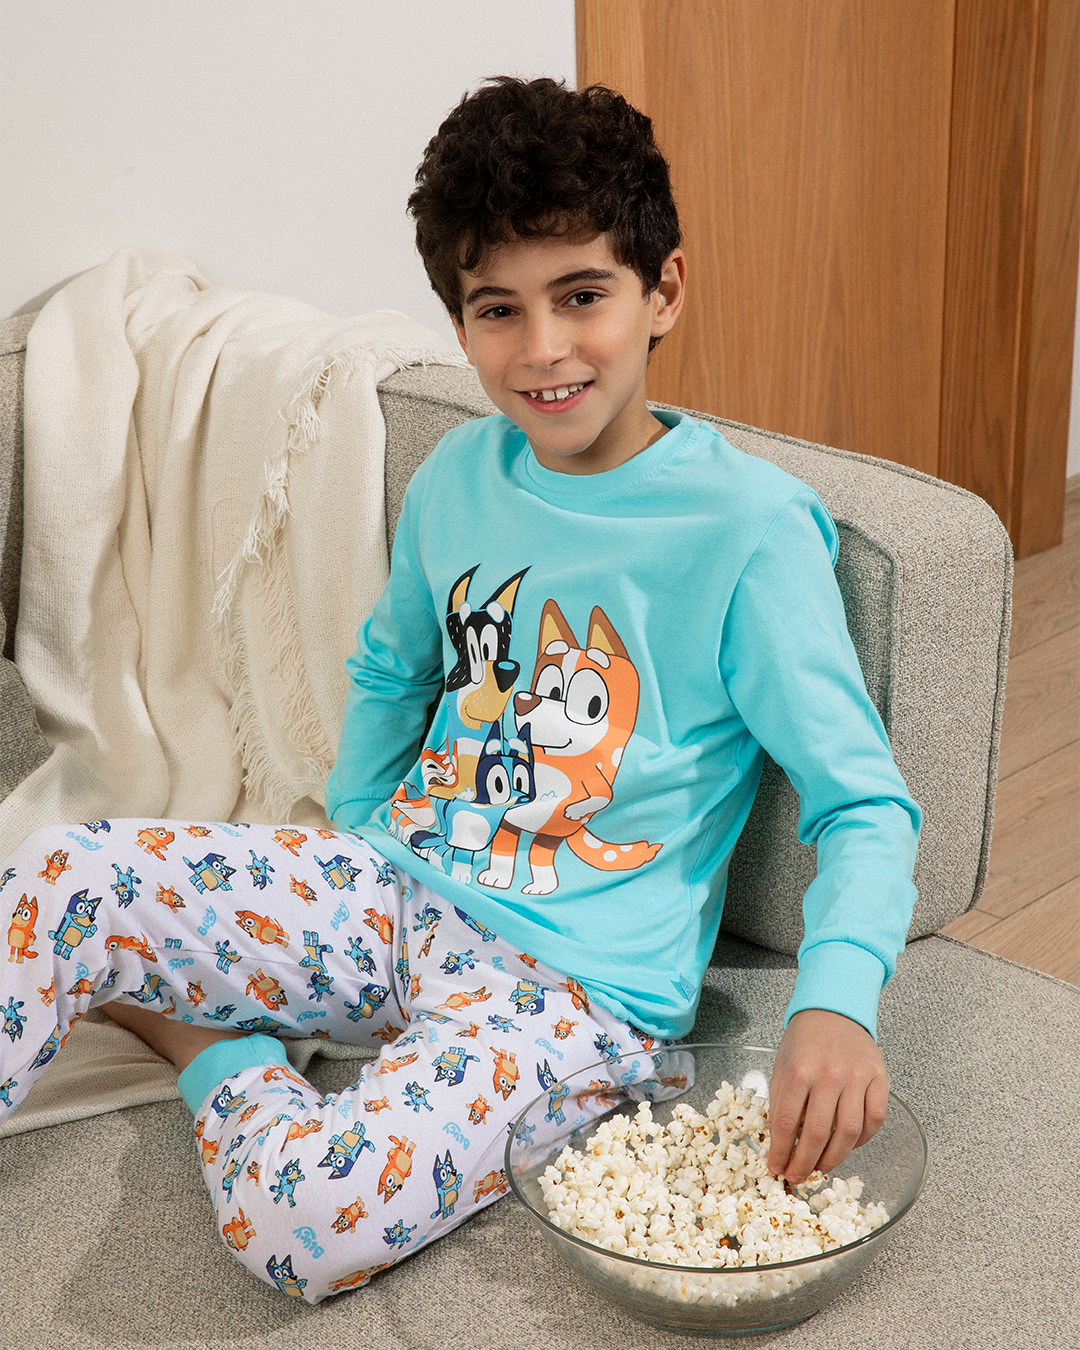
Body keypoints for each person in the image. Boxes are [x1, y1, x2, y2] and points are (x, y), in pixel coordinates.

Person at [0, 76, 919, 1302]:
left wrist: (839, 1003)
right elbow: (394, 669)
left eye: (581, 296)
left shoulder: (749, 533)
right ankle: (231, 993)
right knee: (59, 872)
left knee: (308, 1225)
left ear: (663, 291)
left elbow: (863, 804)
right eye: (498, 310)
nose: (542, 349)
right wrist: (358, 834)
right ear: (460, 321)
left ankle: (202, 1039)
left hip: (572, 997)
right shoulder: (457, 477)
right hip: (391, 892)